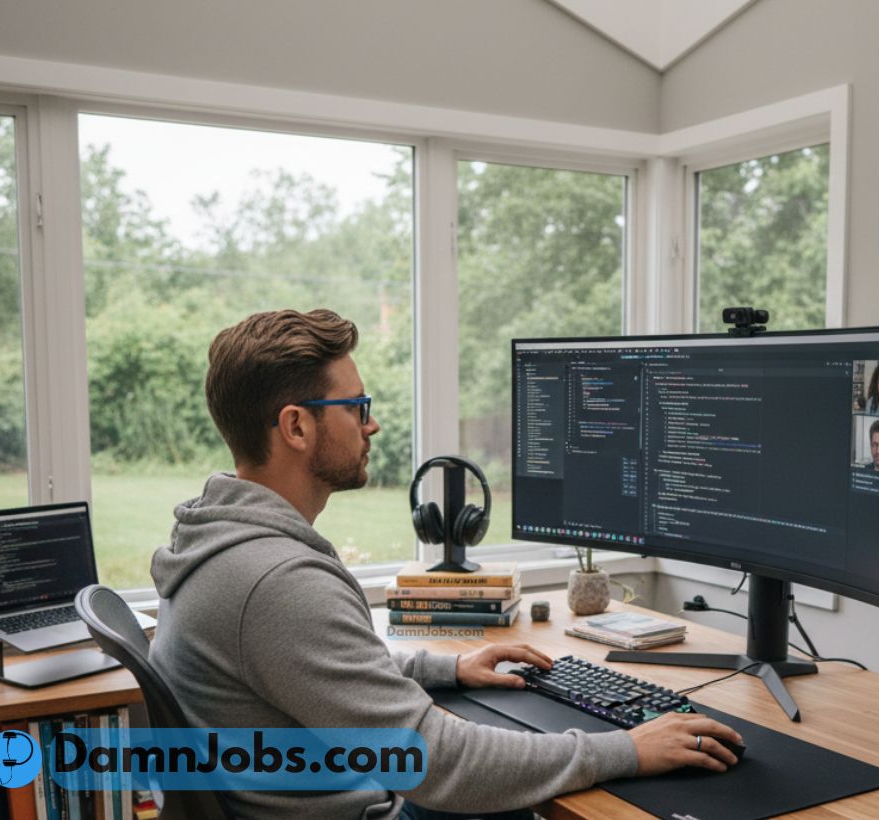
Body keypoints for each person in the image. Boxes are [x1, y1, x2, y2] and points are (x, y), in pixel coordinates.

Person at [149, 308, 742, 820]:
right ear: (296, 426)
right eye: (357, 406)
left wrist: (447, 671)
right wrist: (628, 749)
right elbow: (439, 762)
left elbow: (326, 672)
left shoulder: (222, 539)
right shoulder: (277, 583)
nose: (372, 423)